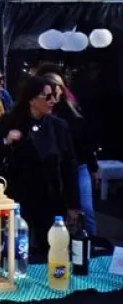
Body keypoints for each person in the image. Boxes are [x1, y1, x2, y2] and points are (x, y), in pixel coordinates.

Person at [0, 75, 80, 242]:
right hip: (18, 197)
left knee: (51, 247)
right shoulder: (10, 121)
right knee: (17, 247)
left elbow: (69, 166)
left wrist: (73, 205)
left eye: (54, 96)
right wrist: (6, 141)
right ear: (32, 99)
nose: (52, 101)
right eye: (47, 97)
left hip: (51, 198)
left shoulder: (59, 126)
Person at [45, 72, 98, 235]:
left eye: (57, 89)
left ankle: (91, 244)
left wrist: (93, 167)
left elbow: (86, 141)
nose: (53, 95)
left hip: (79, 166)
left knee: (86, 210)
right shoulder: (45, 112)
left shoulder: (73, 111)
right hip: (55, 168)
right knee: (57, 212)